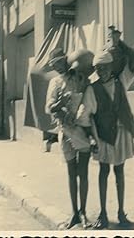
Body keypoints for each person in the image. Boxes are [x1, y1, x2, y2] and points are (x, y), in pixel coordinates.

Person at [76, 45, 134, 230]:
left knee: (120, 171)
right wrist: (91, 137)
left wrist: (120, 44)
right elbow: (83, 116)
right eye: (97, 69)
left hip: (122, 132)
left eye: (104, 68)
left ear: (111, 67)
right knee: (104, 172)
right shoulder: (92, 90)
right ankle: (103, 214)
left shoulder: (121, 82)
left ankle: (121, 212)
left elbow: (133, 61)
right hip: (103, 135)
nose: (101, 72)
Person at [45, 48, 95, 229]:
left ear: (65, 60)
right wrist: (61, 104)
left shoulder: (80, 78)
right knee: (71, 174)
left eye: (58, 63)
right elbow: (49, 107)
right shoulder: (55, 82)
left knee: (84, 173)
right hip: (65, 131)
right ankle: (74, 212)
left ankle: (83, 213)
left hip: (82, 131)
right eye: (53, 65)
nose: (56, 67)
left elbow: (88, 99)